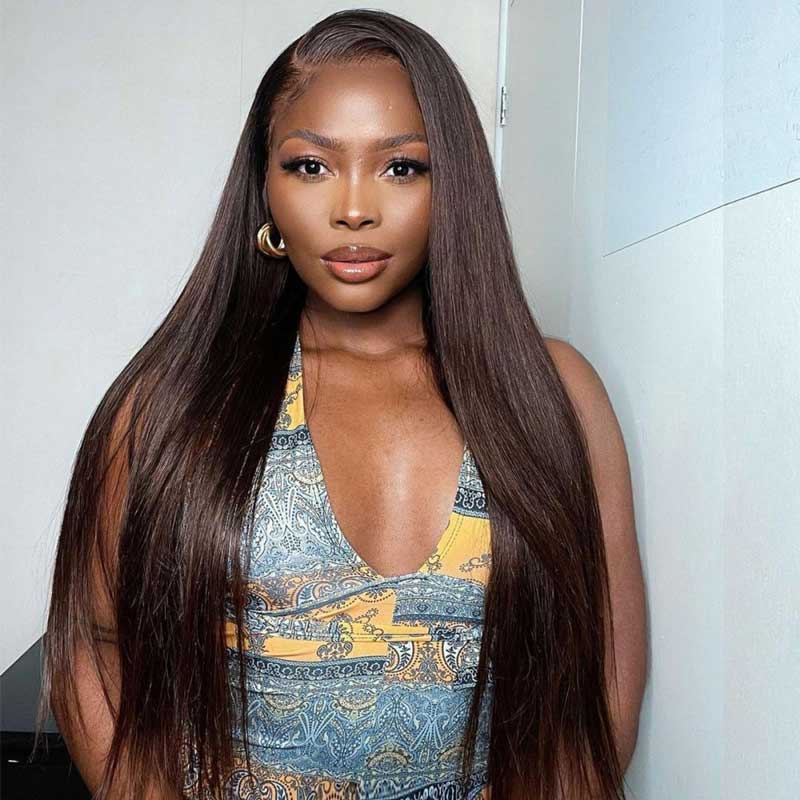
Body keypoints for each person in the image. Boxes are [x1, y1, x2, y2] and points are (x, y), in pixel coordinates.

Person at [36, 8, 646, 800]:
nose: (354, 208)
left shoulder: (553, 394)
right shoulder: (172, 402)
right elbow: (92, 641)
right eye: (311, 166)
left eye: (402, 168)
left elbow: (602, 683)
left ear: (452, 185)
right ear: (265, 188)